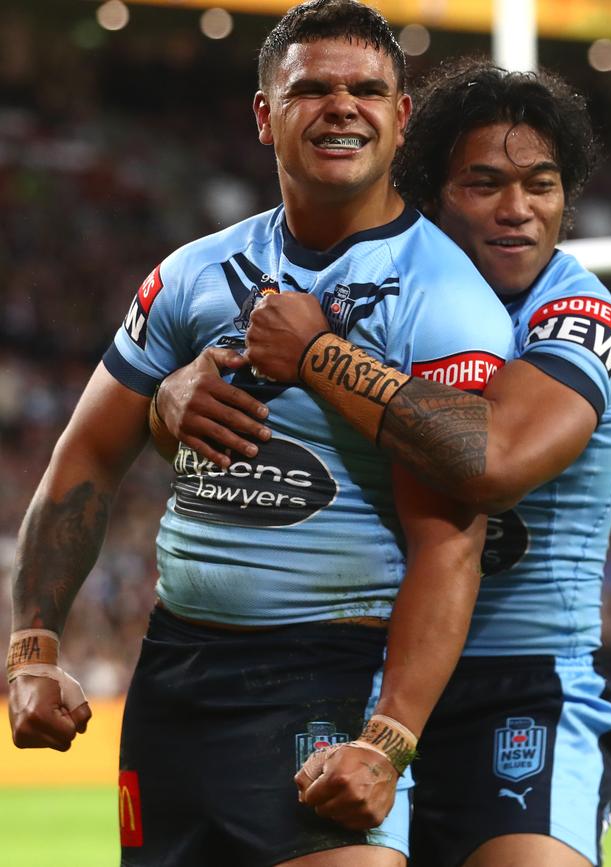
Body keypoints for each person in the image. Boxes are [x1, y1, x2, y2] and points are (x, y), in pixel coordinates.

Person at [5, 5, 514, 867]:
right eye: (311, 87)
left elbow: (452, 536)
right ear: (262, 115)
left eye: (367, 89)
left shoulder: (445, 297)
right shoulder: (190, 274)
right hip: (174, 676)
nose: (341, 106)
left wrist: (389, 740)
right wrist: (33, 644)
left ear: (403, 116)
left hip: (336, 670)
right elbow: (86, 455)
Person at [155, 59, 611, 867]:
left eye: (542, 185)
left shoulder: (579, 316)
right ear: (431, 194)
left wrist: (317, 354)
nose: (518, 210)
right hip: (364, 676)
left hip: (519, 688)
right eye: (484, 184)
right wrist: (166, 397)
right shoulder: (381, 294)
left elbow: (495, 460)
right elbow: (232, 418)